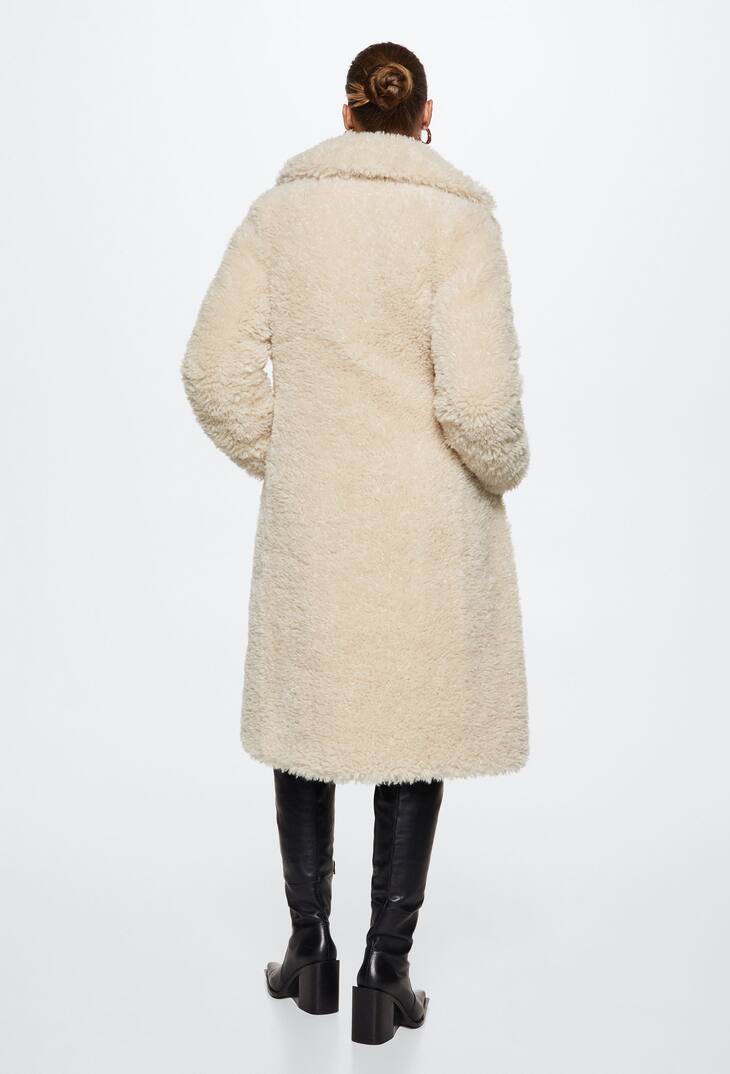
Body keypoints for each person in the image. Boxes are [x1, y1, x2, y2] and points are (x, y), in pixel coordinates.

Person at [181, 41, 530, 1046]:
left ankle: (311, 952)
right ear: (427, 116)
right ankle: (388, 968)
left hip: (318, 519)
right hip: (428, 523)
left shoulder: (281, 215)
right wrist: (504, 468)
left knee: (309, 716)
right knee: (415, 725)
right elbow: (481, 406)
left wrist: (295, 459)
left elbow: (212, 370)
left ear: (346, 114)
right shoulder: (459, 223)